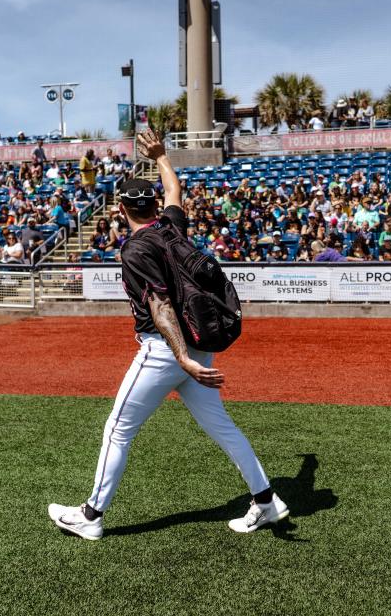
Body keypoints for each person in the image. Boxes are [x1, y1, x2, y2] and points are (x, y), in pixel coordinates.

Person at [48, 131, 287, 541]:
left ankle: (90, 516)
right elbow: (175, 188)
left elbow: (159, 307)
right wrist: (161, 156)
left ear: (121, 208)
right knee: (224, 429)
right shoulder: (173, 226)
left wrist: (182, 360)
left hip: (166, 353)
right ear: (153, 206)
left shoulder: (135, 249)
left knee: (117, 430)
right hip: (196, 348)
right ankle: (266, 502)